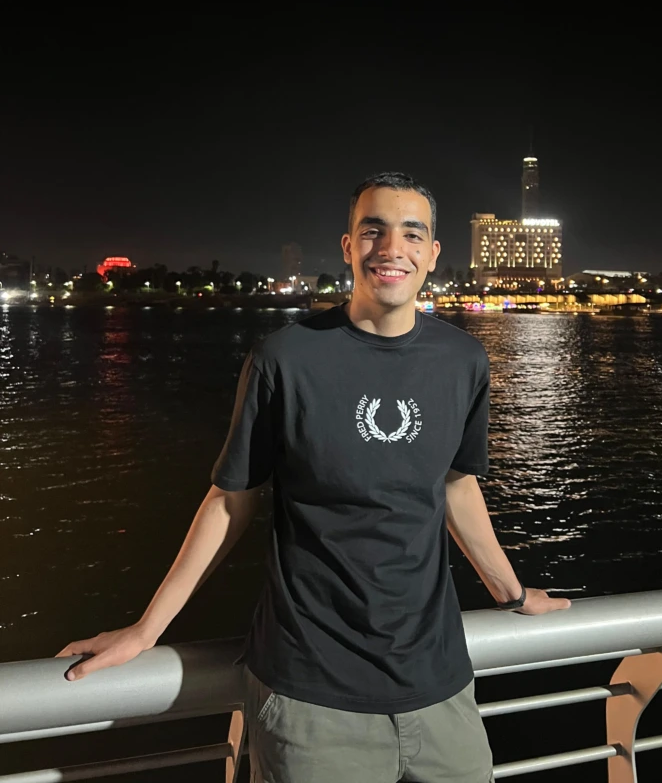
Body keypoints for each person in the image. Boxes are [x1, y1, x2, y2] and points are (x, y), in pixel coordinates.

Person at [57, 171, 570, 782]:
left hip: (440, 685)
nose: (392, 248)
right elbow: (231, 501)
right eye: (373, 230)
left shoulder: (463, 360)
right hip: (310, 698)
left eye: (412, 234)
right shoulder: (286, 358)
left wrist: (512, 593)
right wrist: (148, 629)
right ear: (349, 246)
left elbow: (457, 486)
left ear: (433, 254)